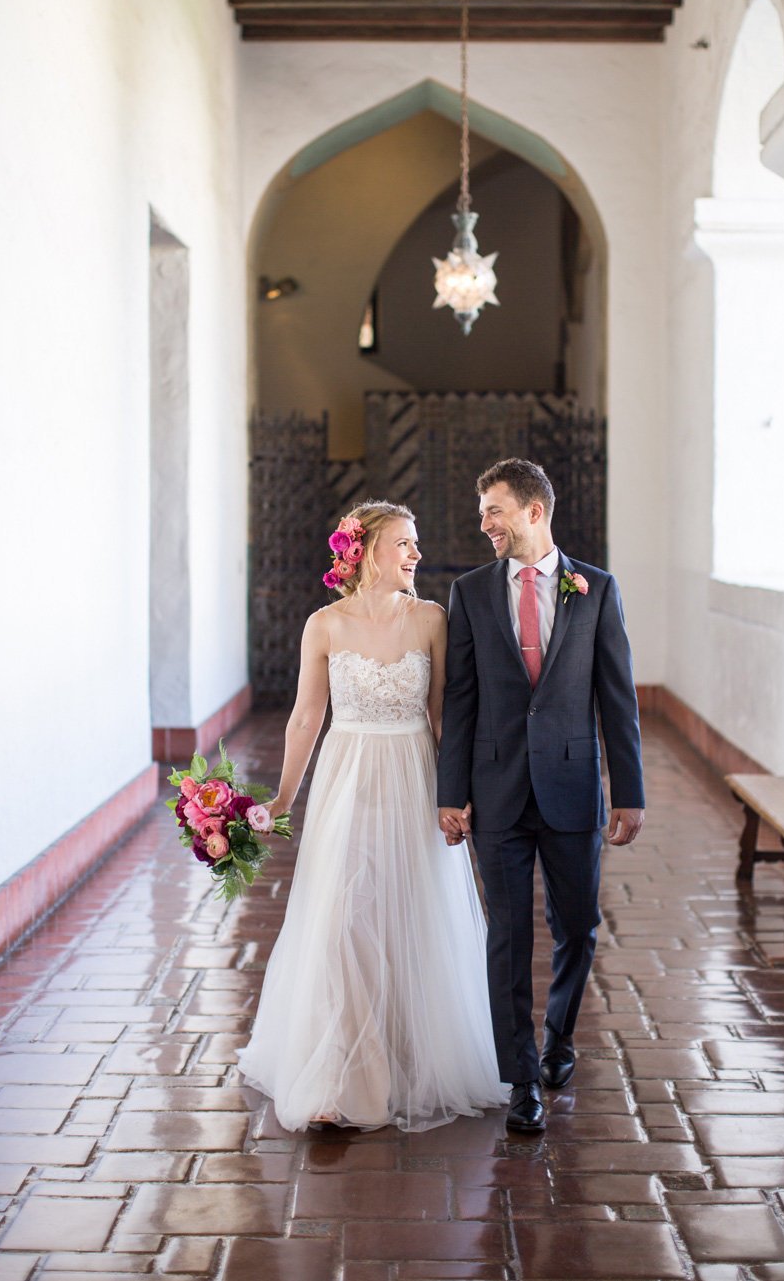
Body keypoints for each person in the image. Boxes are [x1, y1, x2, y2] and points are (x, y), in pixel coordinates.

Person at [238, 501, 507, 1133]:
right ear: (364, 553)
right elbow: (307, 716)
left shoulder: (432, 620)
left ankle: (408, 1058)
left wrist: (456, 792)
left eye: (416, 544)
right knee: (342, 917)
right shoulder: (324, 626)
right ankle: (342, 1073)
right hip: (348, 775)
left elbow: (444, 714)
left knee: (408, 913)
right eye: (405, 544)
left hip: (413, 773)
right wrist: (281, 799)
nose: (416, 554)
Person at [437, 457, 646, 1134]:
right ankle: (521, 1076)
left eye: (493, 510)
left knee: (577, 926)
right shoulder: (468, 593)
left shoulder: (596, 588)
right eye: (481, 513)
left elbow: (616, 696)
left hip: (571, 785)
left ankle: (557, 1035)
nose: (484, 524)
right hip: (496, 789)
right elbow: (460, 701)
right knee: (507, 935)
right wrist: (451, 792)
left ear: (533, 511)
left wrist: (629, 790)